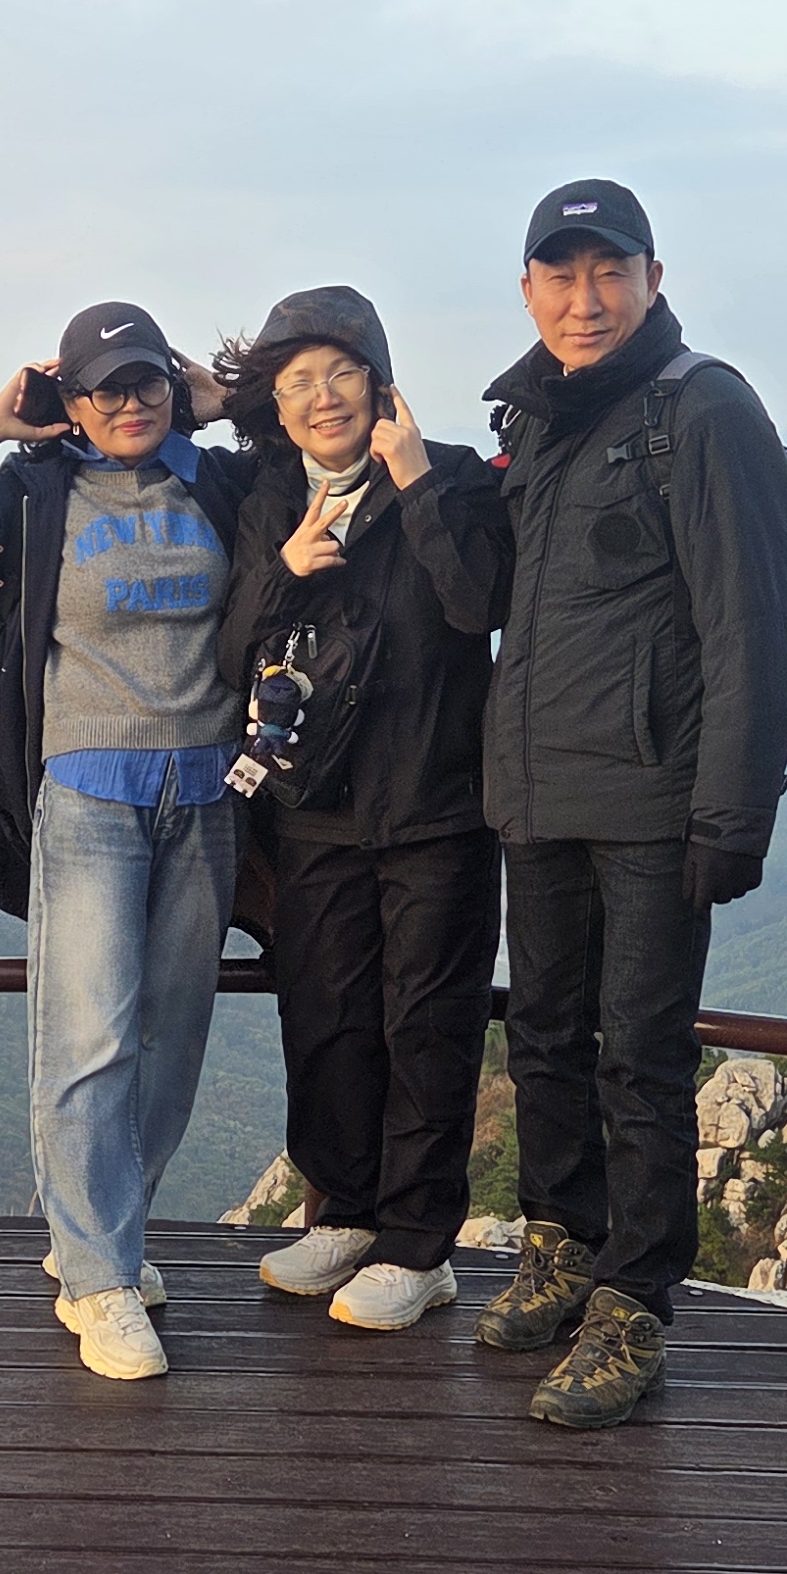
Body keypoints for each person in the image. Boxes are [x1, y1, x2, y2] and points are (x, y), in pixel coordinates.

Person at [476, 180, 787, 1428]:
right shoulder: (537, 415)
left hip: (652, 799)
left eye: (609, 271)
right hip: (536, 789)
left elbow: (753, 623)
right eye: (560, 276)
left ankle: (633, 1304)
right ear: (527, 291)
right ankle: (560, 1246)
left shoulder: (702, 409)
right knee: (542, 1037)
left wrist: (731, 815)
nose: (586, 298)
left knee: (641, 1056)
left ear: (653, 279)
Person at [0, 302, 249, 1381]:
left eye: (147, 382)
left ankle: (107, 1236)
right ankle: (98, 1279)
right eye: (104, 388)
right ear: (69, 402)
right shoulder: (29, 499)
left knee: (172, 1040)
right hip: (86, 796)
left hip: (206, 793)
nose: (129, 404)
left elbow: (321, 466)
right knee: (89, 1038)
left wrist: (232, 403)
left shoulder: (221, 485)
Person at [210, 287, 509, 1332]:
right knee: (326, 1016)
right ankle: (342, 1213)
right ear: (276, 405)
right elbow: (228, 649)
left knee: (427, 1022)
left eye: (341, 372)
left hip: (437, 802)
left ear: (381, 383)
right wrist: (283, 572)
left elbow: (477, 605)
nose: (322, 396)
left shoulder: (453, 477)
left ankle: (419, 1246)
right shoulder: (265, 501)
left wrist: (415, 483)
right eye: (297, 382)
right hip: (312, 804)